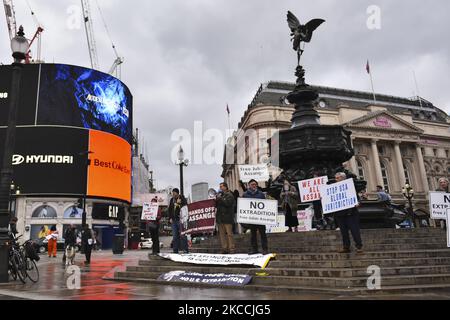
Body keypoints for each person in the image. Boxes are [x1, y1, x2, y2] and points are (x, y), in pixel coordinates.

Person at [333, 172, 363, 254]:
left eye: (337, 178)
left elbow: (356, 197)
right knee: (343, 232)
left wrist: (358, 202)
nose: (336, 180)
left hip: (351, 212)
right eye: (336, 178)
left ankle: (359, 246)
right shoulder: (333, 188)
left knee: (354, 230)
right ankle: (346, 247)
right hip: (340, 213)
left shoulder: (350, 186)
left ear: (343, 178)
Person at [243, 179, 269, 255]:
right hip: (251, 218)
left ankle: (265, 249)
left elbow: (265, 205)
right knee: (253, 234)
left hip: (260, 218)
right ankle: (254, 249)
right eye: (252, 184)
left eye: (255, 184)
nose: (254, 186)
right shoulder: (245, 195)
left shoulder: (261, 194)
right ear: (249, 185)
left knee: (263, 234)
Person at [215, 183, 236, 254]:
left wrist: (220, 198)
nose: (220, 187)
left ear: (226, 187)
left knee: (229, 234)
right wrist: (215, 200)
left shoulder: (230, 195)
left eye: (221, 186)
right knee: (222, 235)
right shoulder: (220, 195)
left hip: (227, 218)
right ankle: (224, 248)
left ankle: (231, 248)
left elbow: (228, 203)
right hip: (220, 218)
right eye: (220, 186)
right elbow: (216, 206)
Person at [168, 188, 189, 254]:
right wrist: (170, 218)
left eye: (174, 193)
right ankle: (175, 250)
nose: (173, 194)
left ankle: (185, 249)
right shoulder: (172, 200)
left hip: (180, 219)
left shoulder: (182, 198)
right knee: (175, 236)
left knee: (182, 235)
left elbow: (186, 207)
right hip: (173, 220)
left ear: (177, 193)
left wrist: (180, 204)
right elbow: (170, 209)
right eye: (172, 193)